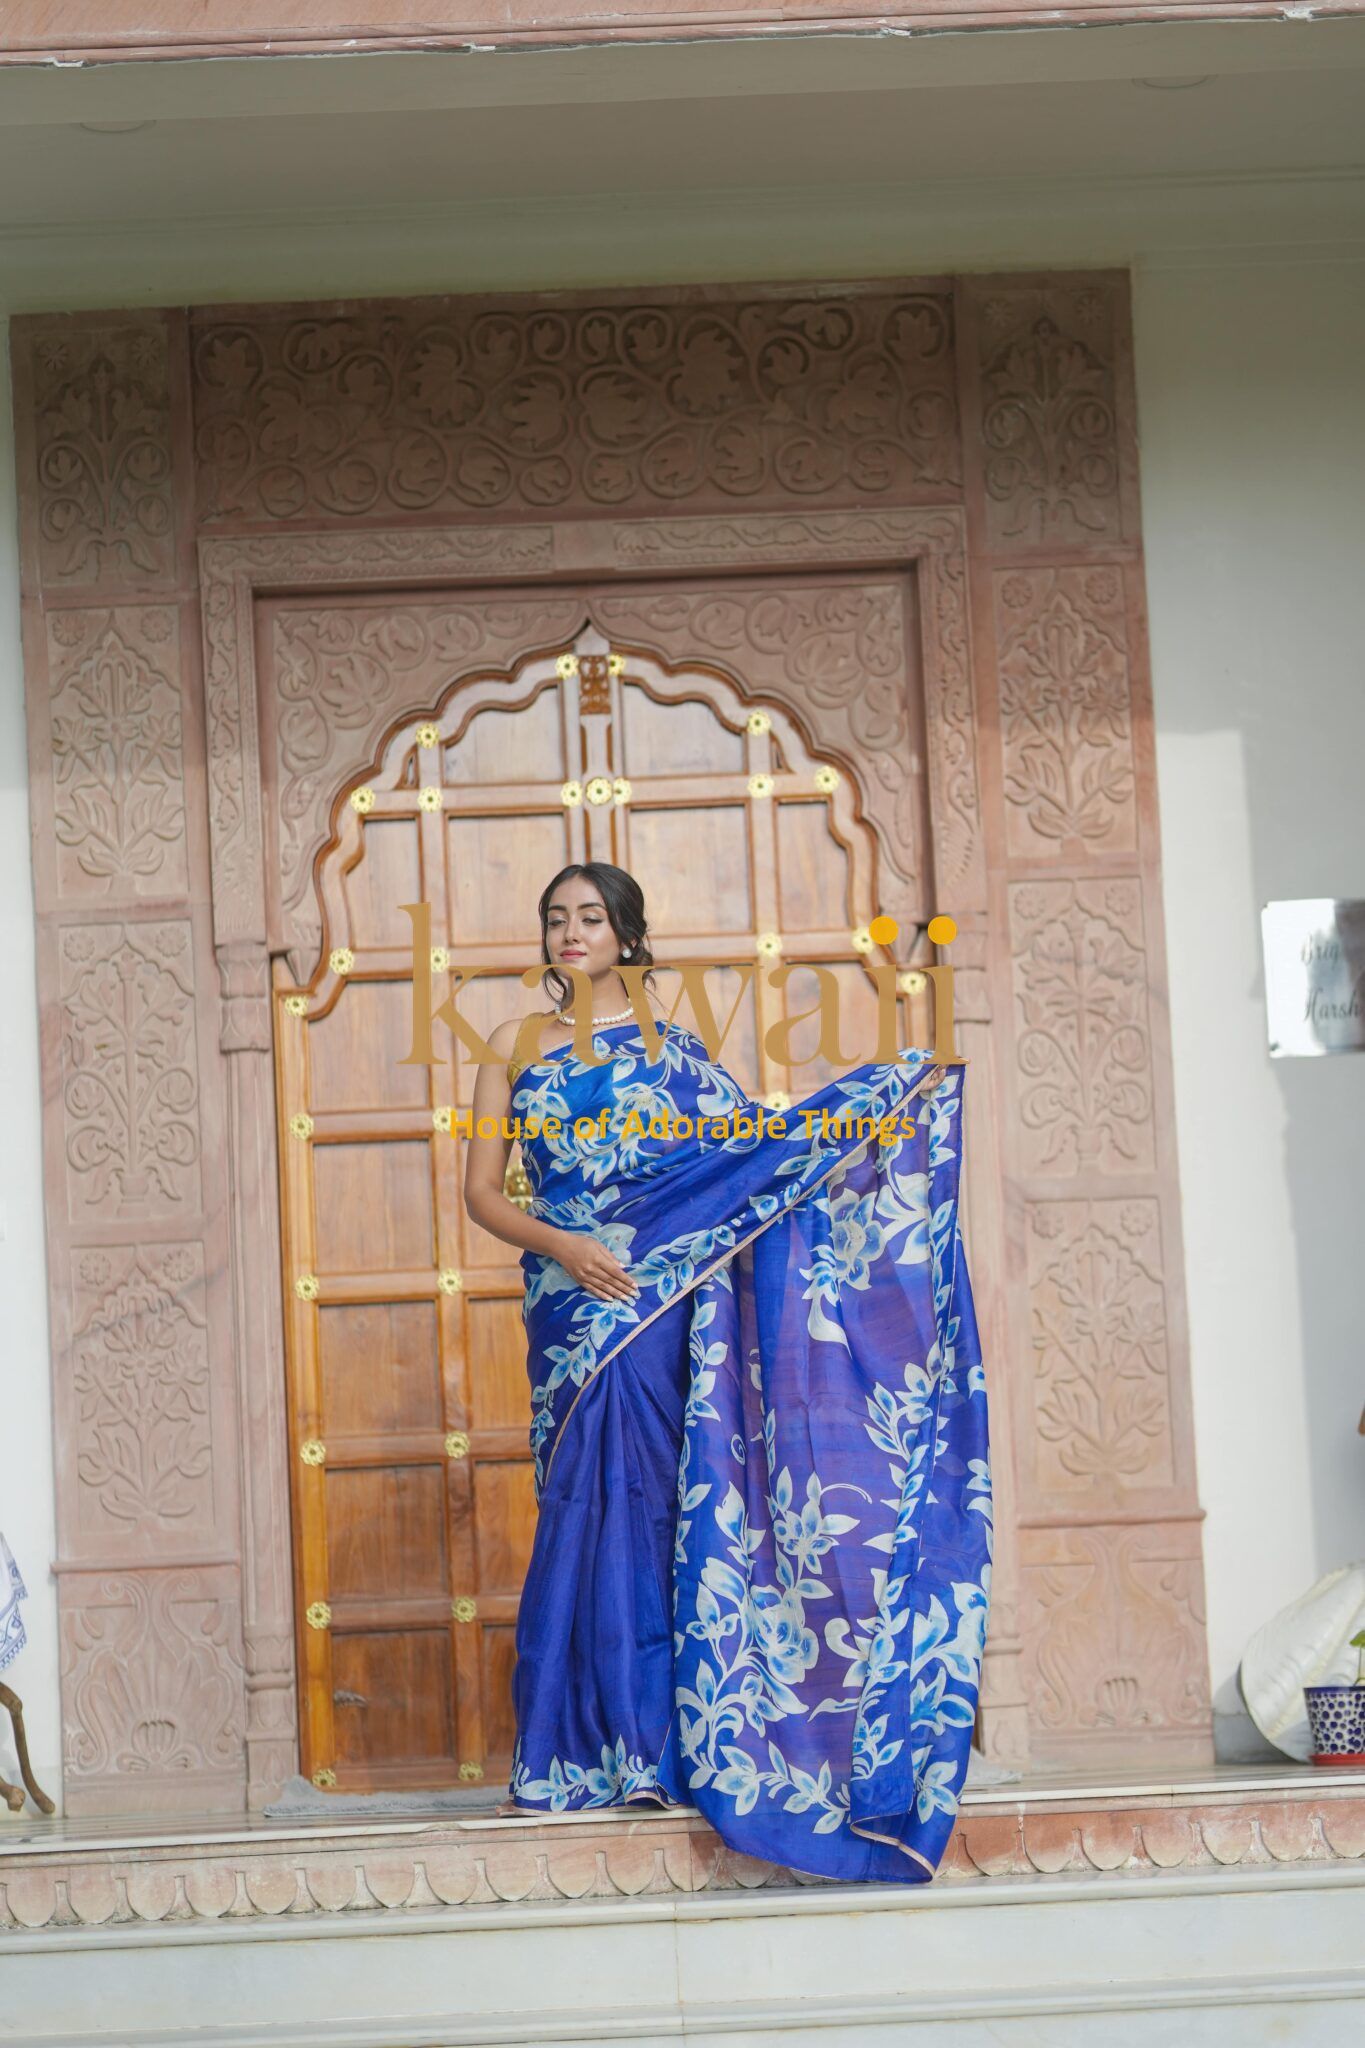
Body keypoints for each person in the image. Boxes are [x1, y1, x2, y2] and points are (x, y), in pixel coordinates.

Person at [463, 862, 991, 1883]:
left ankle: (667, 1748)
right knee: (585, 1509)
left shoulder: (680, 1054)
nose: (572, 932)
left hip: (659, 1305)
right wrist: (567, 1246)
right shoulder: (510, 1049)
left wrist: (874, 1105)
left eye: (592, 916)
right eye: (556, 919)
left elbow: (747, 1170)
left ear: (627, 933)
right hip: (580, 1307)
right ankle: (575, 1753)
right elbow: (482, 1196)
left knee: (667, 1512)